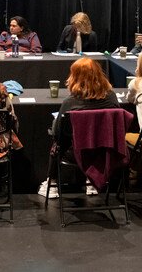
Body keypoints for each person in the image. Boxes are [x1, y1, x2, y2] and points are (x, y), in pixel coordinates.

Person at [38, 57, 120, 198]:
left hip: (76, 153)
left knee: (57, 143)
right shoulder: (111, 97)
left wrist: (55, 123)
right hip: (104, 151)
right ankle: (92, 180)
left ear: (74, 77)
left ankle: (51, 184)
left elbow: (58, 133)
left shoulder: (70, 102)